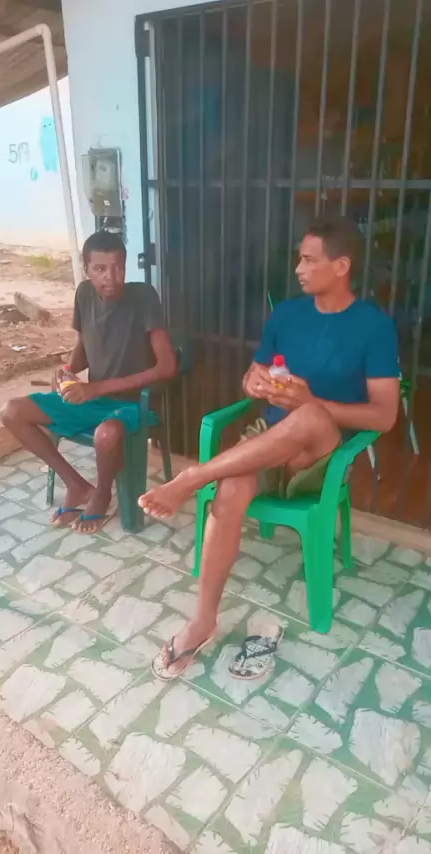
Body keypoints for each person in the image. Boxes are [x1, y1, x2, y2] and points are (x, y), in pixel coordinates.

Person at [139, 215, 400, 680]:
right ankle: (202, 621)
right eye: (299, 258)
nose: (298, 268)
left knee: (312, 416)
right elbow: (254, 373)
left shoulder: (374, 327)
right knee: (231, 491)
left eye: (309, 260)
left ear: (341, 266)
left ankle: (194, 476)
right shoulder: (287, 315)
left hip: (320, 457)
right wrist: (254, 383)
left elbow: (385, 415)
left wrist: (311, 402)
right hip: (268, 439)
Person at [1, 231, 177, 534]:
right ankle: (77, 485)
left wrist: (97, 388)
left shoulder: (144, 297)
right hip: (92, 400)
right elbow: (84, 346)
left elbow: (167, 367)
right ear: (87, 269)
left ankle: (102, 493)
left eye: (118, 267)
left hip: (133, 404)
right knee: (12, 412)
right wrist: (67, 370)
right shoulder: (84, 294)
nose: (111, 276)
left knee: (106, 435)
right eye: (100, 269)